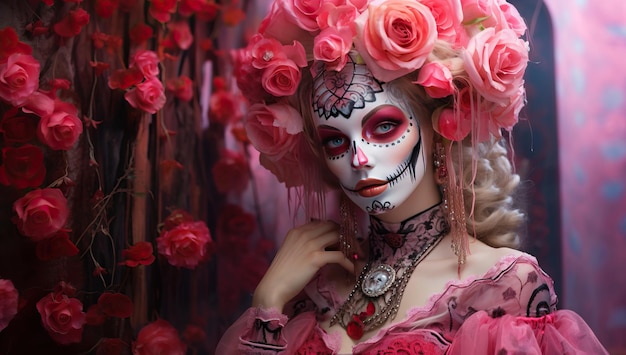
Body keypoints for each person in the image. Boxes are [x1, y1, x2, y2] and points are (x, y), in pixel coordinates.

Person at [217, 0, 608, 353]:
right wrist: (267, 301)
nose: (359, 158)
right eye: (335, 141)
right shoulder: (314, 290)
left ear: (438, 127)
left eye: (384, 128)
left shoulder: (504, 286)